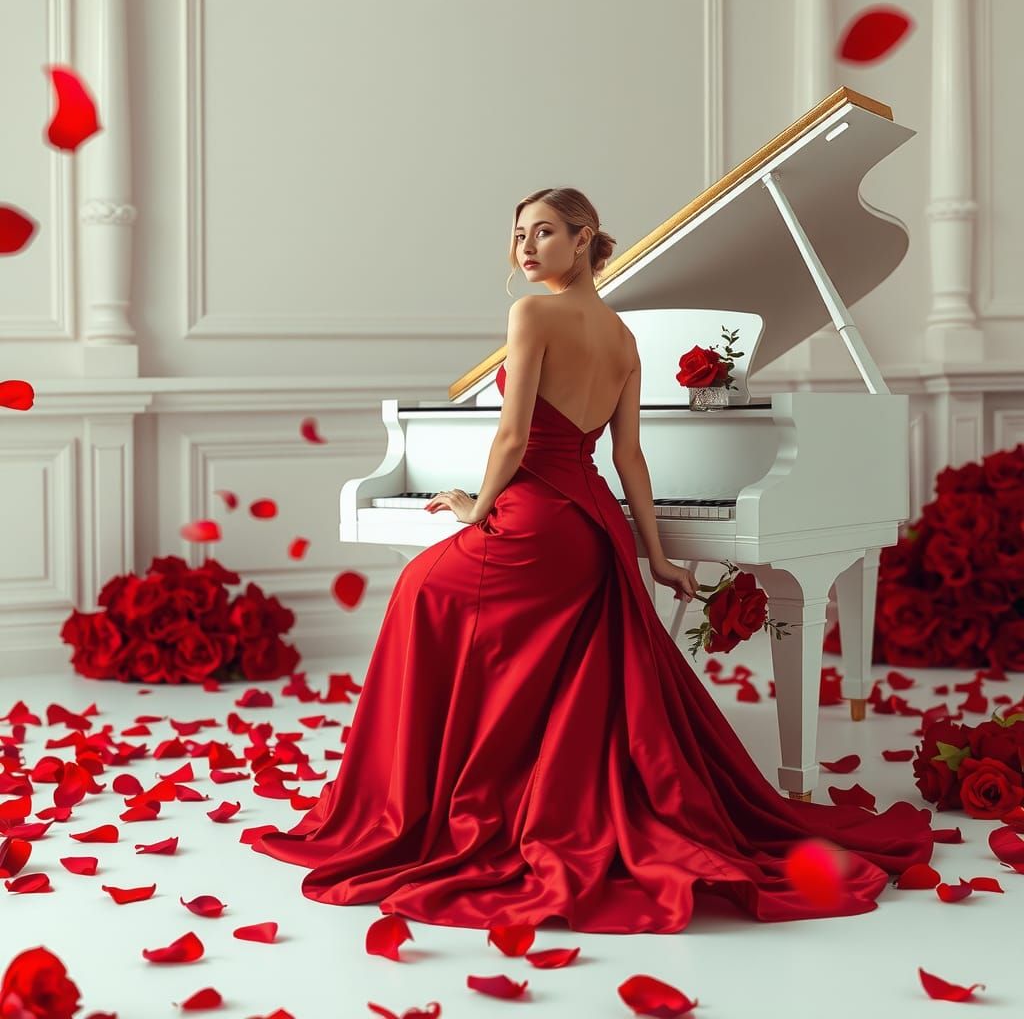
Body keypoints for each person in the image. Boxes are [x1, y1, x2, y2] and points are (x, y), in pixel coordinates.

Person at [250, 187, 935, 934]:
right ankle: (487, 782)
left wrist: (473, 508)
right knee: (471, 614)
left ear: (583, 239)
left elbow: (511, 440)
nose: (526, 247)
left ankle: (437, 795)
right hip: (591, 531)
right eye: (518, 234)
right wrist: (659, 553)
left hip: (535, 522)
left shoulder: (531, 314)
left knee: (420, 589)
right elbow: (629, 459)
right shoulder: (622, 338)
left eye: (543, 232)